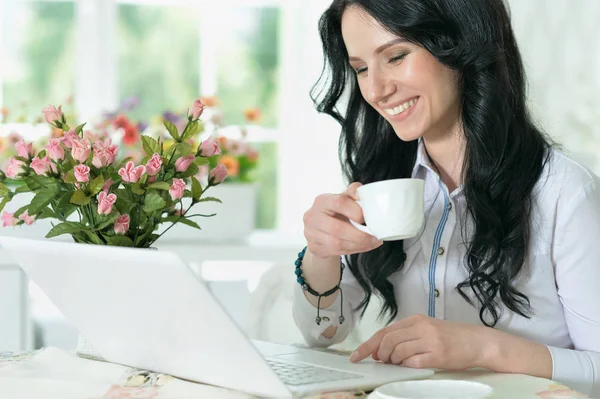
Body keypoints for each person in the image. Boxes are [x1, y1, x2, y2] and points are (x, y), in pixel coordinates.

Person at [292, 0, 600, 396]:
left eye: (396, 56)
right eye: (362, 69)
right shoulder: (383, 185)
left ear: (459, 44)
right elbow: (324, 334)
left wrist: (479, 346)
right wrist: (321, 253)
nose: (375, 90)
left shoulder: (563, 193)